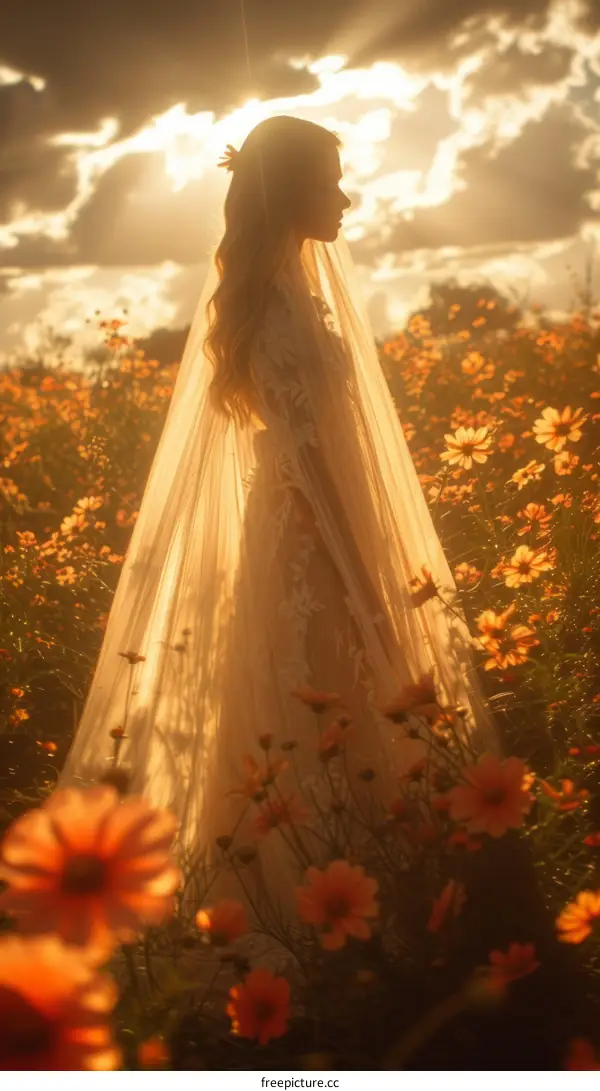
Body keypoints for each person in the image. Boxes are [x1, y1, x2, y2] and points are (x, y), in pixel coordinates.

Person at [59, 116, 497, 891]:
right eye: (330, 183)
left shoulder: (293, 299)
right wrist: (365, 583)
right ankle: (330, 892)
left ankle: (370, 874)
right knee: (330, 689)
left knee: (342, 706)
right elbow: (307, 463)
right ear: (291, 191)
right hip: (309, 541)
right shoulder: (274, 312)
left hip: (315, 524)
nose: (347, 199)